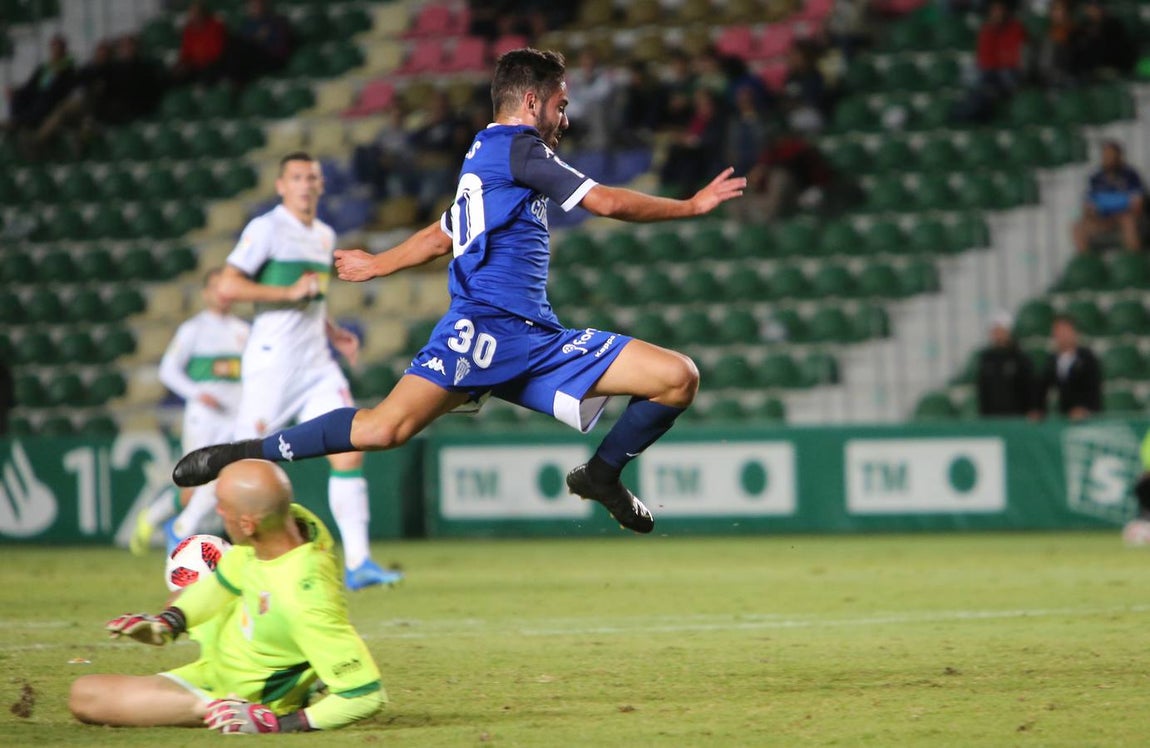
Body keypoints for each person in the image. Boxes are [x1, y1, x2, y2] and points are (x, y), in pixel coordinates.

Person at [174, 48, 746, 535]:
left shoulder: (483, 152)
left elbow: (445, 231)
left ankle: (601, 475)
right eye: (560, 106)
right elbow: (608, 203)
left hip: (536, 335)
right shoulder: (522, 150)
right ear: (531, 103)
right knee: (381, 429)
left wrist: (380, 264)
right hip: (486, 330)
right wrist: (692, 205)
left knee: (678, 378)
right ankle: (241, 452)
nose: (564, 120)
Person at [71, 460, 385, 734]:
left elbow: (366, 695)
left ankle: (214, 709)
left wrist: (280, 724)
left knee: (87, 698)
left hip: (245, 695)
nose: (218, 512)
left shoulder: (305, 598)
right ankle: (303, 677)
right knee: (87, 689)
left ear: (248, 524)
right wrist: (169, 623)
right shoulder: (288, 525)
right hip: (219, 662)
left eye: (222, 507)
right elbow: (224, 581)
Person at [213, 151, 398, 591]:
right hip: (274, 362)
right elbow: (227, 285)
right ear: (281, 186)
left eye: (312, 177)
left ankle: (358, 563)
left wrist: (333, 332)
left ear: (321, 185)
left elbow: (310, 299)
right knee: (241, 459)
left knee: (350, 447)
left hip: (317, 362)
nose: (306, 184)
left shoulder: (324, 234)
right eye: (296, 177)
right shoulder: (266, 229)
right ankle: (187, 527)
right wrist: (286, 290)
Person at [132, 268, 250, 555]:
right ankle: (163, 520)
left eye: (227, 287)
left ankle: (174, 525)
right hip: (204, 418)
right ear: (206, 294)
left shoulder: (243, 331)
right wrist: (197, 393)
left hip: (234, 418)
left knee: (219, 480)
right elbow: (168, 370)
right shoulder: (194, 329)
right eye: (215, 287)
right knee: (199, 483)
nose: (222, 294)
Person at [1072, 140, 1145, 253]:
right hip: (1102, 220)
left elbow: (1137, 205)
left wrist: (1116, 217)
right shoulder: (1095, 179)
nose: (1108, 159)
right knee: (1077, 228)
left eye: (1111, 155)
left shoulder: (1131, 176)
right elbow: (1088, 206)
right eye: (1105, 155)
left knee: (1128, 222)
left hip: (1124, 219)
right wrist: (1095, 218)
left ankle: (1132, 262)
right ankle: (1090, 266)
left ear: (1119, 156)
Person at [1031, 315, 1103, 421]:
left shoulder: (1087, 358)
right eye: (1058, 332)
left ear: (1074, 333)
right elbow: (1043, 388)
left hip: (1088, 418)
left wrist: (1084, 410)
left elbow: (1094, 389)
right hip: (1065, 417)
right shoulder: (1052, 360)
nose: (1062, 336)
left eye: (1065, 331)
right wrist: (1038, 410)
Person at [976, 312, 1033, 417]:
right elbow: (983, 389)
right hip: (991, 417)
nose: (997, 334)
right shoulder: (986, 358)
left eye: (1000, 330)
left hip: (1016, 417)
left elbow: (1028, 388)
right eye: (995, 330)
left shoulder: (1020, 358)